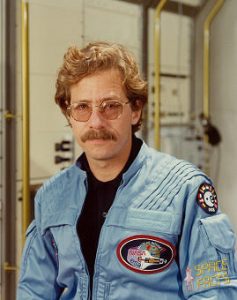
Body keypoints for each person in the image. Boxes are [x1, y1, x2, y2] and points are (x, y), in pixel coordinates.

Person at [17, 41, 237, 299]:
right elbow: (34, 291)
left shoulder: (185, 191)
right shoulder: (52, 196)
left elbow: (215, 293)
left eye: (110, 106)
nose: (96, 122)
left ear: (135, 110)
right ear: (69, 114)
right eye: (82, 107)